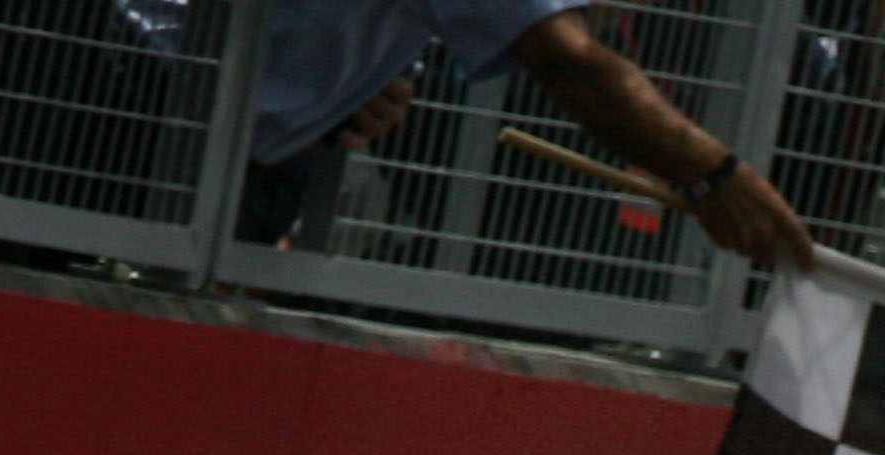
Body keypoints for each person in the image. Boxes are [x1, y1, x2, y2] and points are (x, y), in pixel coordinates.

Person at [240, 0, 820, 272]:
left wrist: (347, 97)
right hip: (179, 117)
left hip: (244, 146)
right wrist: (715, 176)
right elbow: (570, 63)